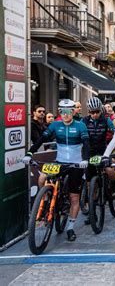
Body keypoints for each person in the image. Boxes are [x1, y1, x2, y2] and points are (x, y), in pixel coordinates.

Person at [22, 99, 89, 242]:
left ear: (73, 112)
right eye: (62, 112)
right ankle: (46, 199)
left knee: (74, 197)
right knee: (42, 178)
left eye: (68, 111)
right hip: (59, 162)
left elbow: (86, 144)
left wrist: (86, 160)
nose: (65, 115)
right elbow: (41, 139)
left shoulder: (80, 126)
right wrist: (29, 153)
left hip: (75, 164)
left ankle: (70, 227)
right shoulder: (55, 125)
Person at [82, 97, 115, 225]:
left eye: (97, 112)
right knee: (90, 184)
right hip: (89, 152)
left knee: (109, 171)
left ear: (101, 111)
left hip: (104, 151)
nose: (94, 114)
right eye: (92, 112)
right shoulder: (84, 121)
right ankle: (92, 213)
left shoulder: (106, 121)